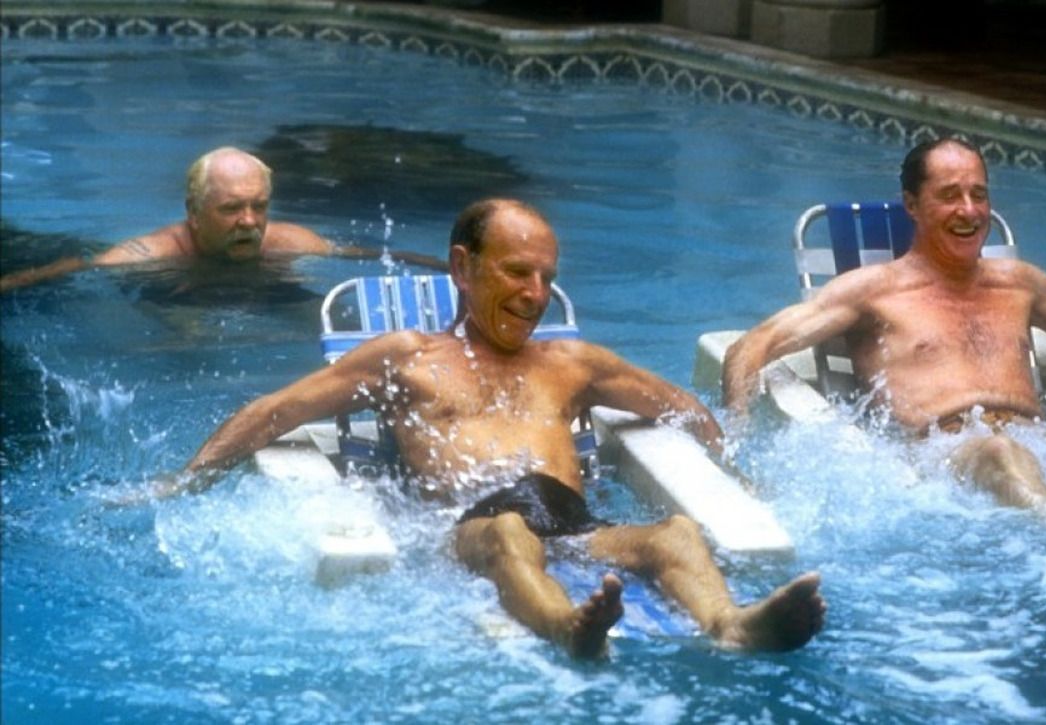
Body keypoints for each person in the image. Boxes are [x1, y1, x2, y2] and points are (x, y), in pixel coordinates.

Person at [131, 198, 825, 659]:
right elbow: (273, 412)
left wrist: (738, 468)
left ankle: (729, 624)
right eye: (516, 271)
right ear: (463, 267)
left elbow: (678, 405)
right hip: (468, 531)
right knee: (508, 530)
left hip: (575, 529)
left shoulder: (573, 361)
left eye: (546, 278)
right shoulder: (406, 357)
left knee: (675, 533)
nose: (534, 293)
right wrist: (179, 482)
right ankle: (568, 627)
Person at [721, 138, 1046, 573]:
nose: (969, 212)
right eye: (950, 196)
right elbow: (752, 348)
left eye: (979, 195)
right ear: (912, 205)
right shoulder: (870, 291)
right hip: (944, 450)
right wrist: (736, 439)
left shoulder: (1020, 282)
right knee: (1000, 453)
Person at [0, 146, 446, 293]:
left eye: (259, 206)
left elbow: (369, 257)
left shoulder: (290, 243)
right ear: (193, 214)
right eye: (231, 209)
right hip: (176, 302)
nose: (250, 221)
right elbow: (80, 269)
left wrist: (454, 271)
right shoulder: (150, 254)